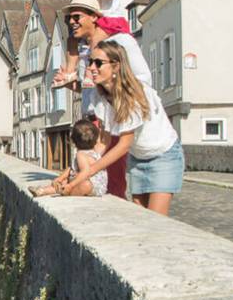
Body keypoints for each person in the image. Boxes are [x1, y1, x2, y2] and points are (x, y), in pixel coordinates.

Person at [63, 39, 184, 214]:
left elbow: (124, 145)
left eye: (98, 63)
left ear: (116, 66)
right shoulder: (100, 97)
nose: (91, 67)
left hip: (163, 156)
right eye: (90, 61)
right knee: (140, 217)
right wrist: (79, 166)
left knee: (156, 221)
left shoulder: (133, 94)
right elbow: (104, 138)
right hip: (138, 159)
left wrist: (89, 171)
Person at [52, 0, 151, 198]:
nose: (71, 22)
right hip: (96, 115)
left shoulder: (116, 42)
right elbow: (93, 88)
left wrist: (115, 95)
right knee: (90, 170)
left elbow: (142, 78)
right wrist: (70, 85)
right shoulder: (87, 50)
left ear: (94, 17)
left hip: (114, 115)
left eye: (76, 17)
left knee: (112, 178)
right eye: (69, 18)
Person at [32, 117, 106, 198]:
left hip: (92, 185)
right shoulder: (95, 151)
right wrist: (60, 178)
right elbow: (71, 168)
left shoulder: (81, 154)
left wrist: (70, 185)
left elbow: (85, 172)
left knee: (85, 185)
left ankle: (67, 192)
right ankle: (42, 191)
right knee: (63, 182)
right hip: (88, 183)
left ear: (74, 141)